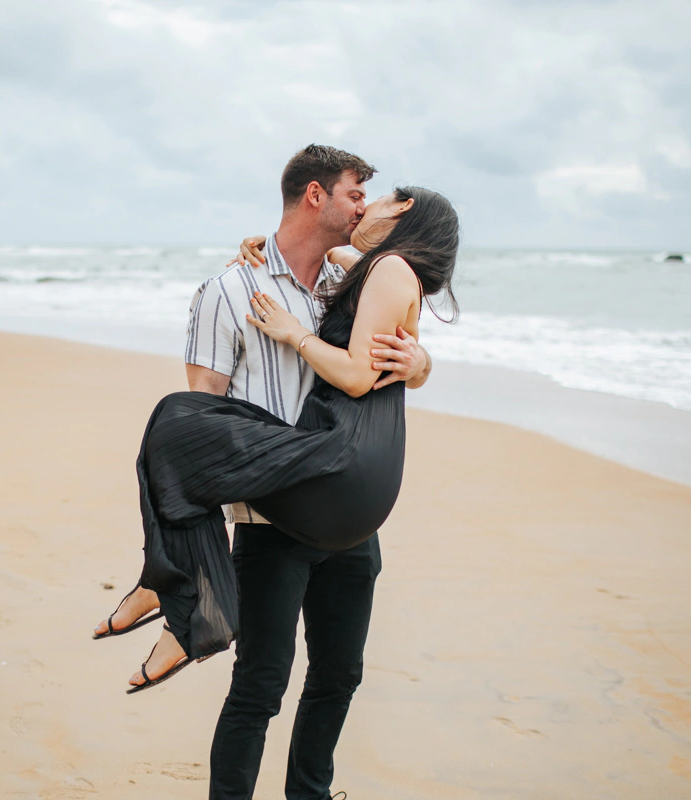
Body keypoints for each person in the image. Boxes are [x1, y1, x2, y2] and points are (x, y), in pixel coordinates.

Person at [95, 144, 459, 799]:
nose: (362, 207)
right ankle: (173, 591)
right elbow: (209, 415)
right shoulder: (232, 289)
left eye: (370, 198)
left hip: (345, 512)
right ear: (316, 195)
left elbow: (392, 336)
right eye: (355, 193)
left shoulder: (346, 277)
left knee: (338, 677)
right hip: (272, 521)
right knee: (261, 685)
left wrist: (422, 362)